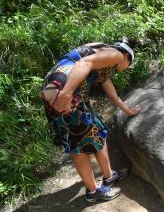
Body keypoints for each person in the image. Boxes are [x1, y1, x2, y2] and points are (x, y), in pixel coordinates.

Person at [41, 38, 141, 202]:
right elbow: (83, 63)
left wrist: (128, 111)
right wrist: (66, 93)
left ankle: (109, 177)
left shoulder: (104, 60)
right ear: (127, 57)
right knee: (78, 145)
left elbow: (112, 93)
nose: (125, 69)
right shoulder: (116, 55)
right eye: (128, 66)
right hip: (63, 91)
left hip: (67, 90)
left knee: (98, 131)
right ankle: (93, 192)